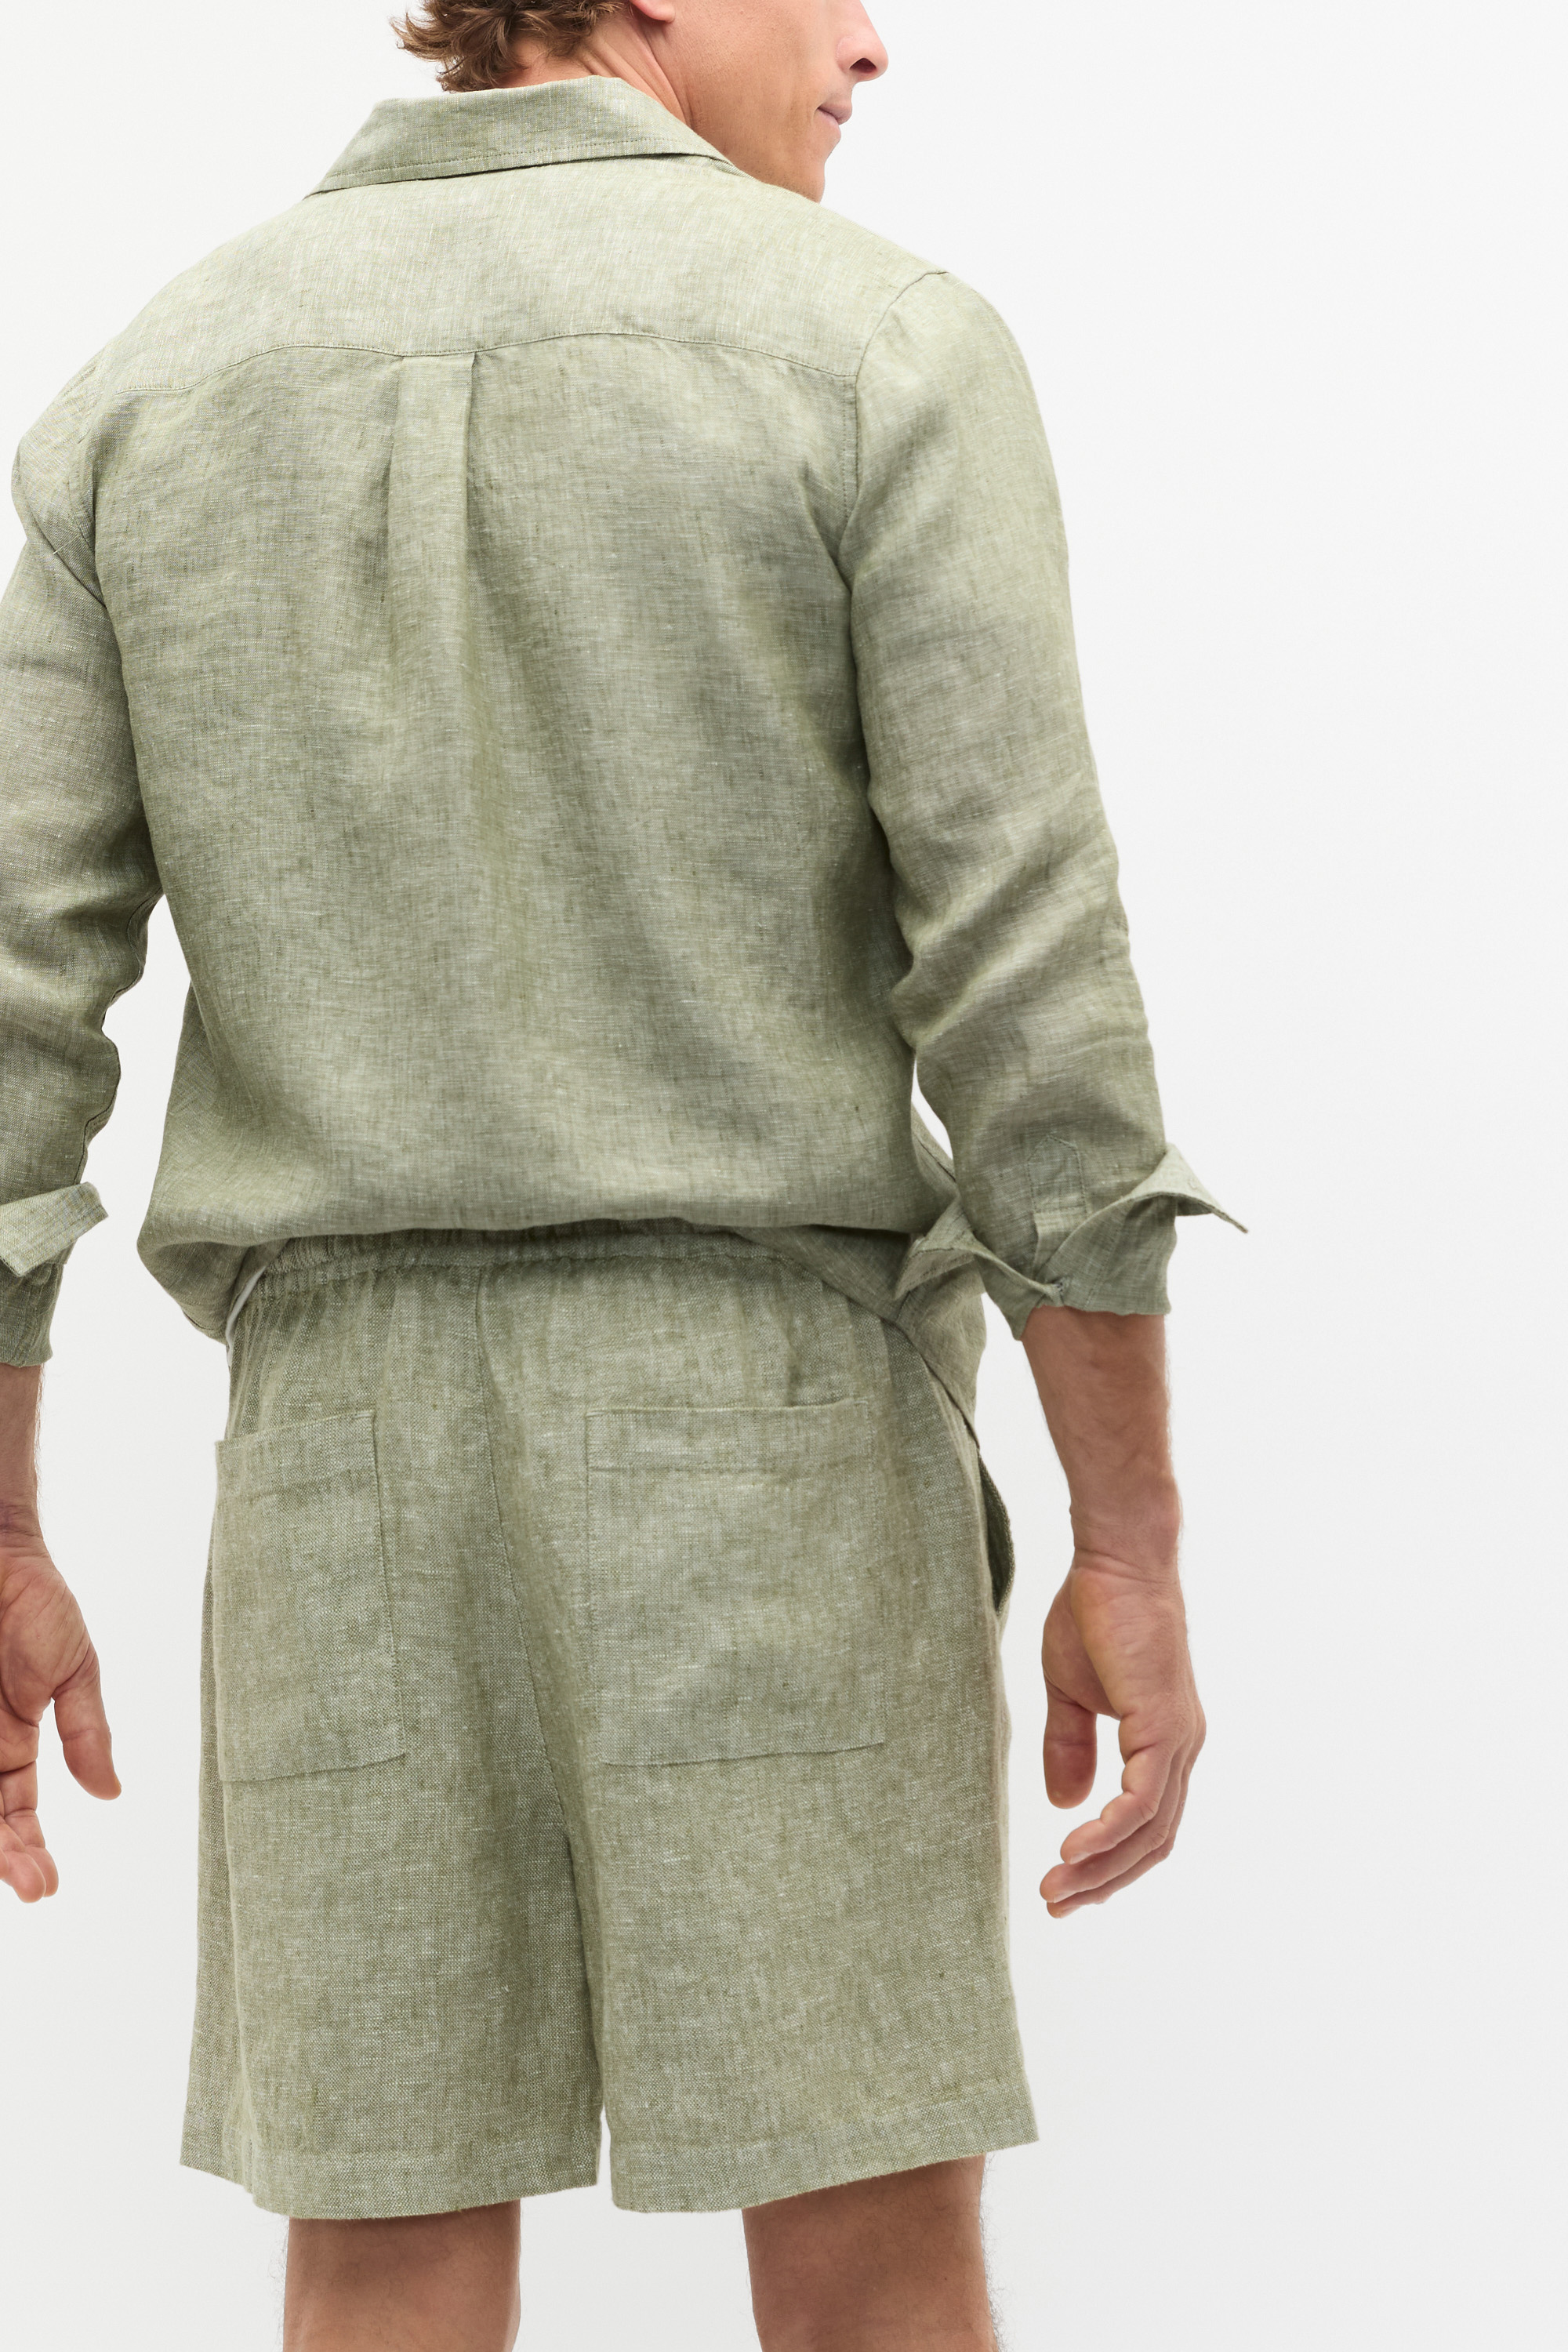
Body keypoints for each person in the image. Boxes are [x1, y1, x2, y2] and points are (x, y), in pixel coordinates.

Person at [0, 2, 1236, 2345]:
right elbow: (1034, 1001)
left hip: (338, 1468)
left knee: (380, 2263)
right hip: (772, 1430)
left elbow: (6, 1029)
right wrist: (1132, 1541)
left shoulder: (149, 392)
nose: (871, 41)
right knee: (868, 2257)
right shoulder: (874, 348)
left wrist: (1, 1518)